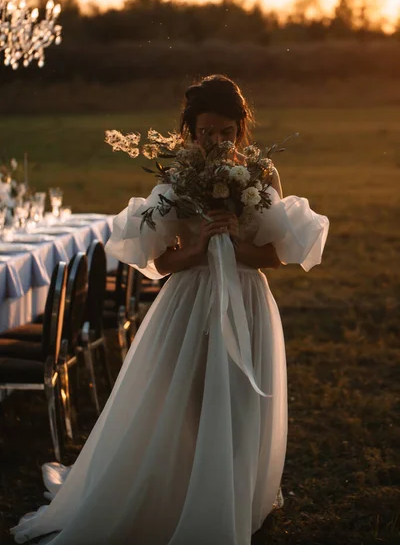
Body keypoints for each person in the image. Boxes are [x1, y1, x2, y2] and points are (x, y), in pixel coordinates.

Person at [11, 75, 329, 545]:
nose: (215, 142)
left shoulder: (262, 175)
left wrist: (239, 245)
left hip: (246, 300)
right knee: (184, 402)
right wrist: (198, 246)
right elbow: (159, 263)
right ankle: (175, 496)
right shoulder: (176, 178)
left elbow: (276, 255)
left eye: (225, 132)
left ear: (240, 129)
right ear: (189, 131)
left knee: (240, 403)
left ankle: (230, 497)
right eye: (205, 132)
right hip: (190, 302)